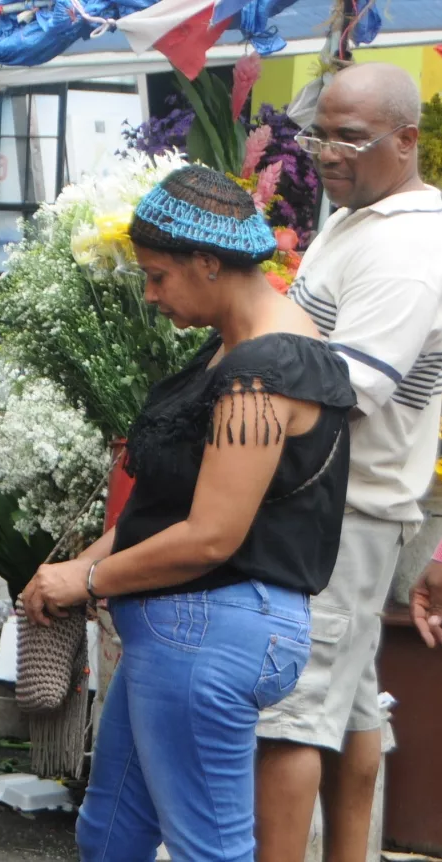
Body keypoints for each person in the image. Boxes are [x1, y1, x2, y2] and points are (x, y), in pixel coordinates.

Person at [21, 166, 355, 862]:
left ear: (207, 262)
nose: (149, 295)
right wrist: (78, 566)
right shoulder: (239, 350)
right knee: (109, 834)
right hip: (192, 629)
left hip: (208, 628)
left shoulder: (261, 372)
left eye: (157, 276)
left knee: (208, 849)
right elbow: (167, 505)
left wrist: (85, 582)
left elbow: (210, 536)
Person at [255, 62, 442, 862]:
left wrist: (232, 418)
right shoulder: (359, 215)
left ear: (406, 141)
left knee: (290, 717)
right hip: (347, 506)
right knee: (354, 702)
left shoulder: (406, 247)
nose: (326, 153)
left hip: (343, 509)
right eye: (317, 134)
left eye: (348, 138)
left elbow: (349, 387)